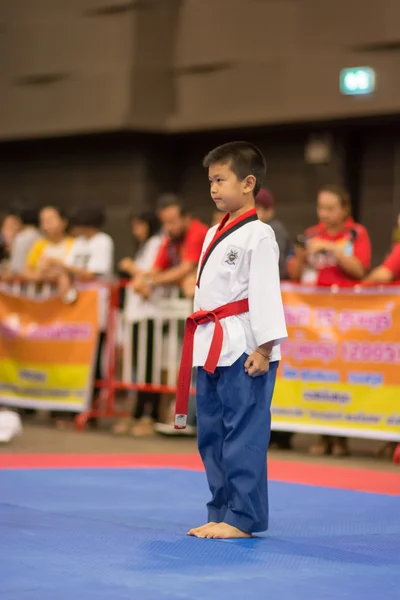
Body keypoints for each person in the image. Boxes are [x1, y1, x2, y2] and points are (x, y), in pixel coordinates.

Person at [175, 141, 287, 539]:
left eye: (221, 179)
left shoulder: (260, 235)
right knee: (212, 435)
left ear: (248, 183)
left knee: (244, 435)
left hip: (244, 347)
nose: (214, 188)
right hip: (210, 346)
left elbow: (265, 293)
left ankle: (242, 517)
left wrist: (265, 347)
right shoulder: (211, 233)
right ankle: (221, 510)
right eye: (210, 181)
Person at [288, 184, 371, 457]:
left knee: (343, 376)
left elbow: (360, 270)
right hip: (314, 319)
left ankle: (340, 439)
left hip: (347, 319)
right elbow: (295, 274)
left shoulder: (356, 233)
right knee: (318, 375)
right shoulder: (311, 234)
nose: (323, 213)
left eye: (330, 208)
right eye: (320, 207)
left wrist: (333, 250)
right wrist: (300, 257)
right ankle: (323, 437)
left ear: (344, 209)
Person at [133, 195, 208, 437]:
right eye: (165, 223)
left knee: (200, 365)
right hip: (184, 315)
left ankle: (195, 421)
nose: (169, 228)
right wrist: (146, 279)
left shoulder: (198, 232)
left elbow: (185, 270)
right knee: (179, 365)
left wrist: (149, 280)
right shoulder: (170, 239)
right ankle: (180, 417)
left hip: (208, 312)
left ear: (186, 218)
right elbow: (157, 268)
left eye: (174, 222)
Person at [114, 211, 164, 436]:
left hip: (151, 312)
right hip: (137, 313)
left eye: (140, 225)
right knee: (139, 366)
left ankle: (148, 415)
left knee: (149, 366)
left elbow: (150, 275)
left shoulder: (157, 243)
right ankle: (136, 413)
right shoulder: (144, 246)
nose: (137, 230)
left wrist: (131, 267)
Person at [23, 206, 74, 282]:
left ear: (63, 222)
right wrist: (43, 276)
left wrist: (56, 264)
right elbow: (26, 271)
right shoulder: (39, 244)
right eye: (42, 221)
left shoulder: (74, 244)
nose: (45, 225)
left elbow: (79, 270)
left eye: (50, 220)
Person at [255, 188, 292, 279]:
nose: (252, 212)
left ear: (269, 211)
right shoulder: (252, 228)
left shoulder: (274, 229)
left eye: (256, 208)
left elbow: (274, 263)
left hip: (275, 282)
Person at [7, 206, 42, 275]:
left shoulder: (21, 237)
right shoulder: (41, 236)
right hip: (34, 274)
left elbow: (15, 265)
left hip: (23, 277)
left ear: (21, 221)